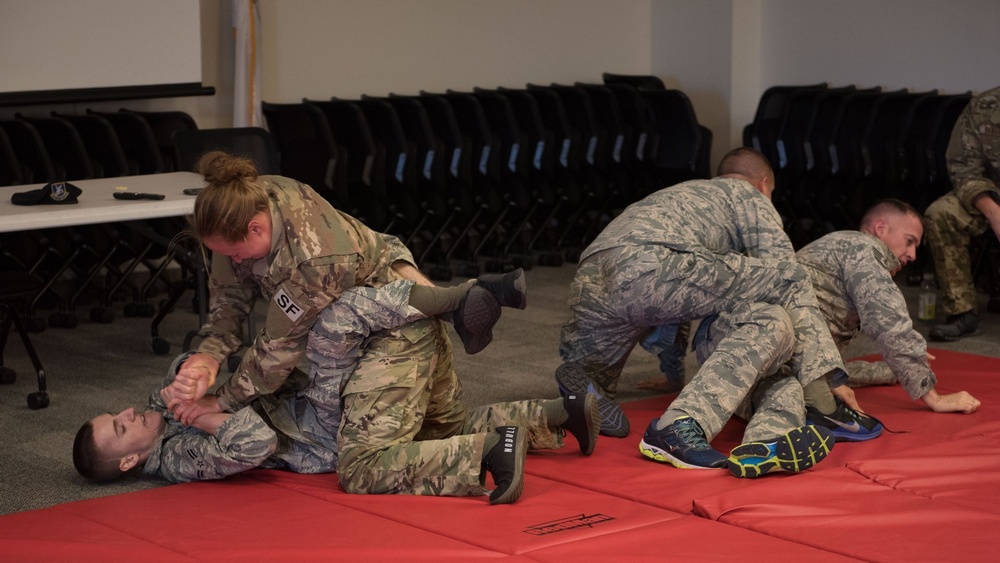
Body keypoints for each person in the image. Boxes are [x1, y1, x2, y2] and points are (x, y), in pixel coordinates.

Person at [164, 150, 525, 428]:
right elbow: (229, 299)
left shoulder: (312, 261)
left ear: (256, 229)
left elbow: (278, 349)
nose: (235, 262)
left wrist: (222, 401)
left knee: (415, 397)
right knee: (443, 416)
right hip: (357, 260)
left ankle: (461, 300)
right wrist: (208, 356)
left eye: (236, 253)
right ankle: (475, 298)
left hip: (372, 280)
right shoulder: (243, 201)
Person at [556, 147, 850, 464]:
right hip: (652, 268)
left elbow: (678, 303)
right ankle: (823, 406)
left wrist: (672, 375)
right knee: (790, 278)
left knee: (595, 385)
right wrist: (822, 377)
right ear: (764, 184)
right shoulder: (747, 195)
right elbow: (784, 272)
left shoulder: (682, 197)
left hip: (592, 276)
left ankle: (589, 389)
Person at [795, 199, 981, 420]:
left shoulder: (842, 243)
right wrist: (936, 399)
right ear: (880, 229)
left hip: (788, 356)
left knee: (838, 379)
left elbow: (830, 365)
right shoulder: (864, 248)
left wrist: (898, 369)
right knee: (826, 414)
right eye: (909, 241)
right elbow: (890, 325)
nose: (912, 255)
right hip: (784, 367)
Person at [924, 85, 1000, 341]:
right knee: (941, 213)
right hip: (990, 194)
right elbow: (963, 168)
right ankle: (962, 312)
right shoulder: (984, 105)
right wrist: (993, 212)